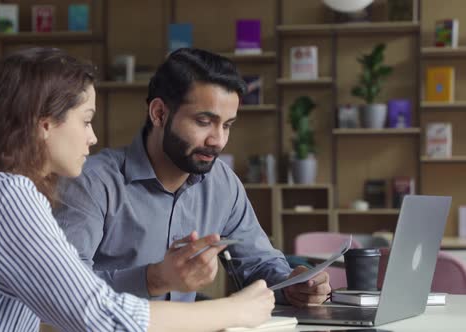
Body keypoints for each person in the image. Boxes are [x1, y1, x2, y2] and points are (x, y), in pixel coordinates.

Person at [0, 48, 275, 331]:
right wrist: (236, 312)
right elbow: (103, 317)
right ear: (44, 123)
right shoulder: (3, 197)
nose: (93, 136)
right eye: (85, 121)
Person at [55, 48, 331, 306]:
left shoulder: (223, 183)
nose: (218, 140)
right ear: (160, 113)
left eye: (227, 125)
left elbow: (258, 265)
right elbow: (62, 290)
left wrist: (293, 284)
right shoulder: (92, 182)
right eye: (203, 122)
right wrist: (154, 279)